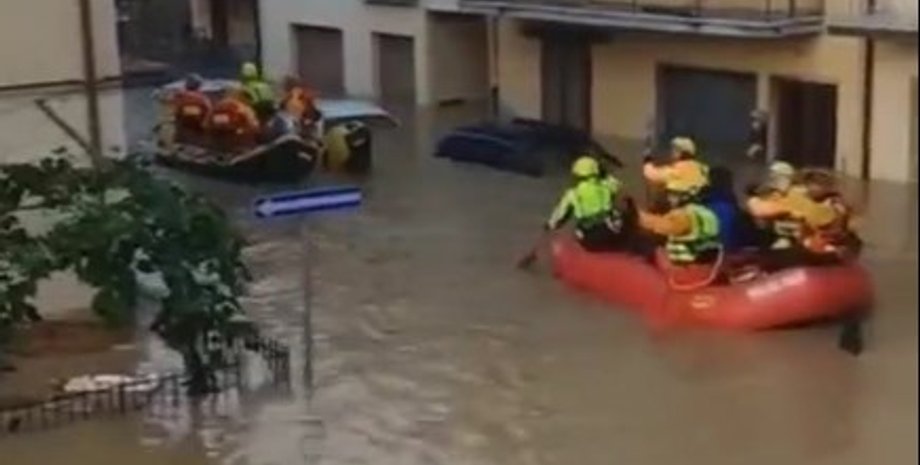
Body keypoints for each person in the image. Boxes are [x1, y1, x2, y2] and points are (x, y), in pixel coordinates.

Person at [546, 156, 631, 252]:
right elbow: (618, 186)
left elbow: (560, 213)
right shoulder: (606, 184)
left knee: (577, 234)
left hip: (590, 236)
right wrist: (605, 175)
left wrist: (550, 224)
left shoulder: (573, 193)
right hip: (611, 230)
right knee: (619, 219)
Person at [638, 180, 721, 268]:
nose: (669, 198)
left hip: (687, 266)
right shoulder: (704, 211)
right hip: (706, 262)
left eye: (672, 194)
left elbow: (663, 228)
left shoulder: (683, 214)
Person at [643, 136, 710, 201]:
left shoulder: (677, 170)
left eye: (673, 150)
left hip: (683, 209)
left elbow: (651, 175)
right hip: (702, 208)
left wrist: (647, 159)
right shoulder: (703, 168)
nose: (670, 153)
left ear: (679, 153)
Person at [209, 85, 261, 150]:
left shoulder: (220, 105)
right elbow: (253, 126)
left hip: (220, 131)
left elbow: (207, 124)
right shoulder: (243, 108)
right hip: (234, 134)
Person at [171, 74, 211, 142]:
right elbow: (208, 109)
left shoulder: (180, 95)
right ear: (198, 86)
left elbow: (174, 105)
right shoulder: (202, 98)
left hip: (183, 126)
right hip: (197, 127)